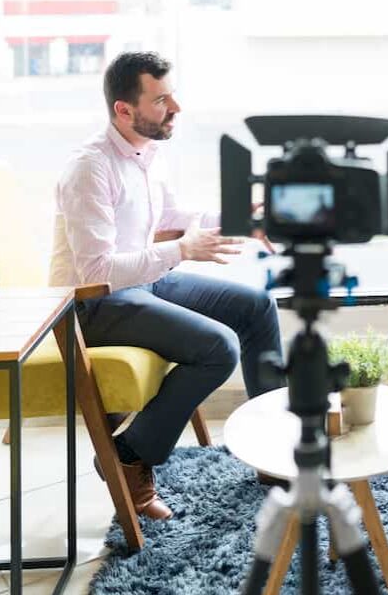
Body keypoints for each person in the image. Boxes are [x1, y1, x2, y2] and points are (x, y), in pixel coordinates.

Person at [50, 51, 284, 520]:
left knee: (257, 308)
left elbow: (173, 218)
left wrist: (244, 218)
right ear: (124, 109)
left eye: (172, 95)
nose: (175, 107)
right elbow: (96, 270)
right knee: (219, 347)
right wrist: (181, 251)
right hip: (90, 305)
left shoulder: (146, 154)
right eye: (161, 100)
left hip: (143, 284)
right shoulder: (89, 168)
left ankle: (273, 449)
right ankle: (129, 456)